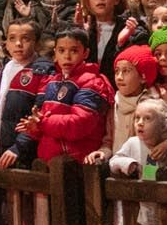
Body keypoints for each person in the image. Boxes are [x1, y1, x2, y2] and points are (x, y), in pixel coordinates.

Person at [18, 28, 113, 166]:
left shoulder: (92, 81)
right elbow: (47, 124)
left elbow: (80, 124)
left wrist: (43, 123)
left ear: (85, 53)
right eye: (61, 50)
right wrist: (35, 128)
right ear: (55, 53)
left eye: (74, 51)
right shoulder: (53, 81)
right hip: (49, 161)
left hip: (76, 163)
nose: (67, 56)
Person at [0, 17, 53, 169]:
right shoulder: (0, 73)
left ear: (36, 43)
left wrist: (19, 147)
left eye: (25, 39)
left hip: (25, 157)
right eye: (12, 39)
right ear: (6, 43)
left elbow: (40, 115)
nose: (18, 44)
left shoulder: (43, 72)